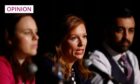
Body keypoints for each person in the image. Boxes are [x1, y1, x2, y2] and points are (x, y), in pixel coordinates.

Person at [35, 14, 103, 84]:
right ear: (61, 41)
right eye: (74, 38)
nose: (81, 43)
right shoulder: (49, 68)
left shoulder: (80, 72)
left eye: (84, 36)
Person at [88, 8, 140, 84]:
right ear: (107, 30)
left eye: (131, 30)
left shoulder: (132, 57)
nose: (126, 36)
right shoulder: (96, 59)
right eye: (120, 30)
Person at [0, 14, 39, 84]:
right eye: (27, 33)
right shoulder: (2, 66)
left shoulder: (28, 68)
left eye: (36, 32)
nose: (36, 37)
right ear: (10, 38)